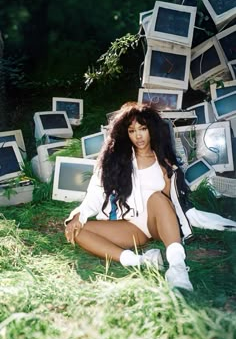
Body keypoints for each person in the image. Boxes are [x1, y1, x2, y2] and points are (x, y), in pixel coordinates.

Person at [65, 102, 236, 290]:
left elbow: (170, 203)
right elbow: (95, 194)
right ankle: (141, 261)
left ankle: (177, 267)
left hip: (156, 222)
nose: (138, 135)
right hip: (131, 226)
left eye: (143, 128)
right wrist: (79, 216)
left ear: (152, 130)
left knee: (156, 198)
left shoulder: (164, 161)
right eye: (132, 131)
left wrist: (169, 182)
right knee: (77, 232)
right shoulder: (114, 161)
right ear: (125, 134)